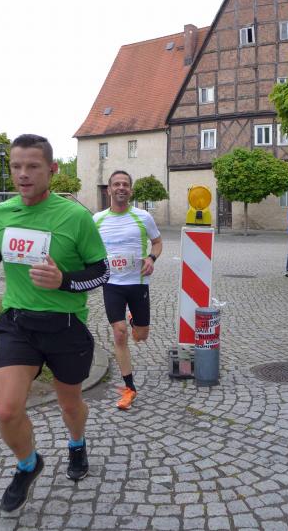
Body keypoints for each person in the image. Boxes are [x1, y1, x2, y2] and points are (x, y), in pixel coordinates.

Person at [0, 134, 109, 513]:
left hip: (65, 326)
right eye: (16, 166)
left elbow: (101, 272)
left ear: (52, 169)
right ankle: (28, 464)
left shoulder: (75, 217)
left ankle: (76, 443)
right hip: (18, 324)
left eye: (33, 166)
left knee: (70, 404)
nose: (23, 174)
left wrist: (64, 281)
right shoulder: (1, 214)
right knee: (6, 411)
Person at [93, 170, 162, 410]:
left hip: (138, 282)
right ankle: (129, 388)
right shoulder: (97, 219)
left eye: (125, 184)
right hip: (112, 284)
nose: (121, 187)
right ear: (109, 190)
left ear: (130, 190)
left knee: (140, 336)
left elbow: (157, 242)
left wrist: (151, 258)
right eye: (116, 184)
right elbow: (89, 248)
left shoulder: (143, 217)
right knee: (119, 333)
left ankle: (134, 320)